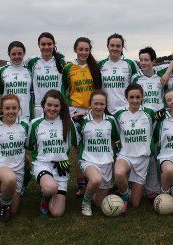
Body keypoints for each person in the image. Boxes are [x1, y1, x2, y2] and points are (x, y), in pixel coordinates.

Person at [61, 37, 103, 196]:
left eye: (86, 49)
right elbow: (64, 90)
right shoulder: (68, 68)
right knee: (78, 147)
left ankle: (96, 178)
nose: (84, 52)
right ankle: (81, 184)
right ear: (75, 50)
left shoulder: (95, 67)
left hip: (93, 111)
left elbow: (98, 89)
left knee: (92, 144)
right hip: (75, 111)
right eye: (81, 49)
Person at [27, 89, 77, 217]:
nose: (52, 108)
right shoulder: (35, 123)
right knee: (50, 188)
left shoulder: (68, 123)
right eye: (49, 105)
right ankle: (45, 196)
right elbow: (29, 146)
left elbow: (77, 143)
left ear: (61, 107)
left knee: (57, 212)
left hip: (62, 167)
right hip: (43, 165)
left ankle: (51, 193)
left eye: (56, 105)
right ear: (43, 105)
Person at [77, 90, 119, 216]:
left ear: (106, 105)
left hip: (106, 162)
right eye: (95, 104)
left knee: (99, 203)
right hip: (88, 159)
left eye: (102, 104)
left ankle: (92, 191)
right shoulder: (82, 120)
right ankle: (85, 202)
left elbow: (116, 139)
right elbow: (75, 140)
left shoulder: (111, 121)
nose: (99, 107)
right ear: (90, 104)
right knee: (96, 180)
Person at [113, 84, 155, 211]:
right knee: (119, 173)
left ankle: (128, 190)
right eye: (131, 97)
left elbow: (170, 113)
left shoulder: (149, 112)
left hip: (142, 159)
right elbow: (105, 121)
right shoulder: (119, 113)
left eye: (138, 97)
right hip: (125, 155)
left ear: (142, 97)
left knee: (135, 203)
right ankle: (124, 196)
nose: (135, 100)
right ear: (126, 97)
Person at [0, 94, 29, 222]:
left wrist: (27, 160)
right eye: (7, 108)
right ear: (1, 109)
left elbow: (29, 145)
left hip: (18, 169)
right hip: (0, 166)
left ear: (19, 109)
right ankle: (4, 206)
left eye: (14, 108)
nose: (11, 111)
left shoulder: (24, 124)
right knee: (9, 179)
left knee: (14, 210)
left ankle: (1, 194)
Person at [131, 47, 164, 199]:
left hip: (160, 120)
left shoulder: (161, 77)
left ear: (153, 62)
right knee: (147, 153)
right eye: (141, 60)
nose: (143, 63)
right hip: (143, 121)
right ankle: (150, 187)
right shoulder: (136, 79)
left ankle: (161, 185)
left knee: (159, 153)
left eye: (146, 60)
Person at [26, 32, 66, 118]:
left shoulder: (61, 62)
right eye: (43, 44)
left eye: (49, 44)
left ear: (54, 44)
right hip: (39, 107)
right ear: (38, 45)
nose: (46, 47)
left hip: (57, 106)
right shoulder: (32, 61)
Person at [99, 33, 139, 114]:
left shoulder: (130, 63)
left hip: (126, 109)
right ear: (108, 46)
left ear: (122, 47)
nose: (115, 48)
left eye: (118, 46)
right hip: (105, 110)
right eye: (112, 45)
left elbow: (137, 87)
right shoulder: (101, 64)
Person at [0, 41, 34, 121]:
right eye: (13, 54)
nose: (16, 56)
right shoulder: (2, 70)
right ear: (9, 54)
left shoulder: (30, 70)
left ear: (24, 53)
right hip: (8, 111)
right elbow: (0, 90)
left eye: (19, 53)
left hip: (26, 112)